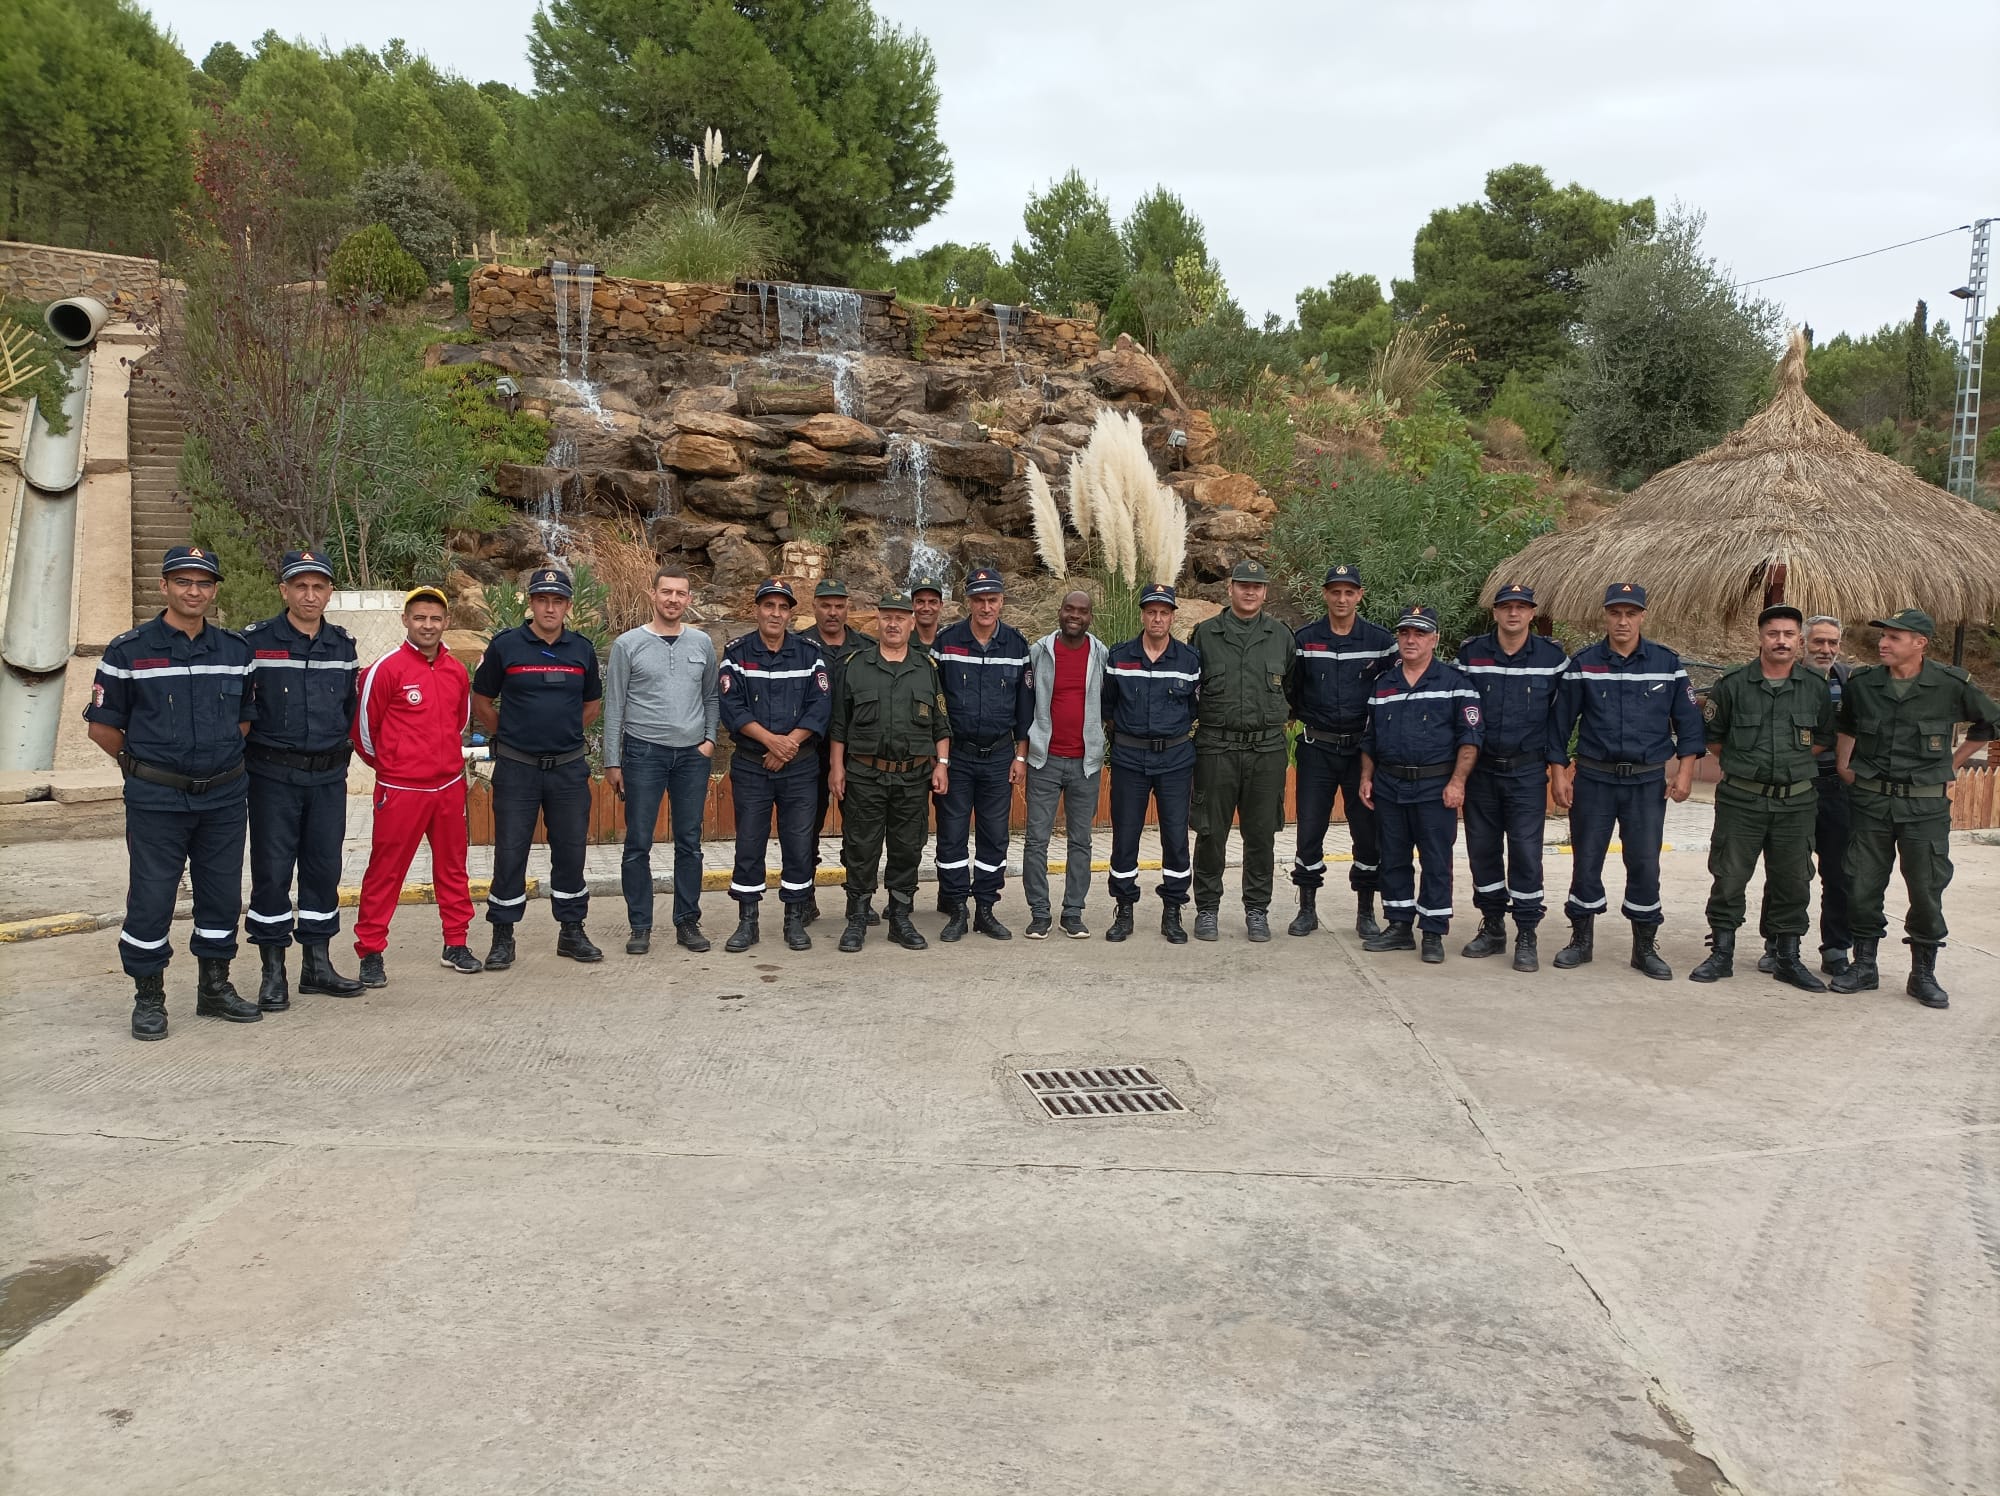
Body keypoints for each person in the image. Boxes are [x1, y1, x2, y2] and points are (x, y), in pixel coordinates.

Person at [85, 546, 261, 1040]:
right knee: (152, 896)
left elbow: (244, 721)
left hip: (224, 798)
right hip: (156, 801)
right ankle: (149, 998)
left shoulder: (235, 651)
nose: (194, 591)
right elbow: (103, 728)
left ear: (214, 590)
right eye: (183, 581)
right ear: (164, 587)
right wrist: (146, 768)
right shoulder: (128, 651)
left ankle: (214, 988)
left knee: (222, 896)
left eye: (204, 583)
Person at [1831, 608, 2000, 1008]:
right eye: (1883, 636)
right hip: (1871, 801)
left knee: (1926, 888)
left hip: (1924, 807)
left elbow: (1989, 723)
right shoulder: (1864, 683)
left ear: (1919, 644)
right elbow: (1848, 725)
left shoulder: (1949, 684)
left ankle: (1922, 972)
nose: (1883, 643)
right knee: (1861, 884)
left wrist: (1953, 764)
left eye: (1894, 637)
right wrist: (1843, 764)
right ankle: (1864, 965)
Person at [1550, 583, 1705, 980]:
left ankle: (1644, 947)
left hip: (1645, 783)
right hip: (1595, 780)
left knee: (1644, 863)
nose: (1622, 621)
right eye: (1615, 613)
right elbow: (1558, 725)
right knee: (1585, 860)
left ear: (1642, 616)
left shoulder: (1666, 663)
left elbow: (1689, 725)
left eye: (1630, 613)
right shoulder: (1584, 663)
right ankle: (1581, 940)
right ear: (1605, 615)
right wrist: (1558, 774)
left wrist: (1685, 773)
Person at [1687, 606, 1836, 991]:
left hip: (1796, 803)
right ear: (1760, 638)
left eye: (1789, 634)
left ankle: (1786, 955)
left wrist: (1788, 768)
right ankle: (1721, 953)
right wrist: (1749, 768)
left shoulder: (1814, 687)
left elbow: (1822, 740)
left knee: (1793, 880)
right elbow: (1715, 738)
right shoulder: (1733, 684)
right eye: (1773, 633)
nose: (1781, 640)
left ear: (1799, 640)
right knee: (1729, 875)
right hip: (1742, 801)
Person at [241, 549, 363, 1011]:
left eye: (318, 587)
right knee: (272, 873)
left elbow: (348, 712)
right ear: (284, 591)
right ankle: (274, 970)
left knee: (323, 868)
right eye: (300, 586)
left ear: (329, 592)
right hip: (273, 777)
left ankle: (317, 964)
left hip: (328, 778)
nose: (309, 595)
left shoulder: (343, 645)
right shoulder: (255, 643)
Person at [471, 568, 604, 968]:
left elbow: (592, 705)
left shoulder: (581, 649)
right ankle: (502, 936)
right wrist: (511, 736)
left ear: (567, 605)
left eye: (558, 600)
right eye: (542, 599)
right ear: (530, 603)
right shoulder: (505, 646)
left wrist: (562, 733)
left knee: (571, 852)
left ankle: (572, 932)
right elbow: (481, 701)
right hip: (518, 769)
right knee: (510, 853)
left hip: (567, 769)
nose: (550, 607)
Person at [350, 586, 478, 985]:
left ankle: (455, 942)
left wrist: (440, 764)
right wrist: (395, 767)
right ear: (405, 620)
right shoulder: (384, 670)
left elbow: (460, 722)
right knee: (385, 872)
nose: (428, 625)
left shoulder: (457, 670)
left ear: (446, 623)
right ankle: (371, 951)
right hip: (401, 790)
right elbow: (364, 734)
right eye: (420, 617)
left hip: (449, 788)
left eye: (435, 618)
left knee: (454, 869)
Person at [603, 563, 720, 956]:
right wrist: (612, 761)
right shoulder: (628, 644)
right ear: (653, 595)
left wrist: (709, 742)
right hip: (643, 753)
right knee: (638, 842)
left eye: (680, 593)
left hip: (691, 756)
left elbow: (711, 697)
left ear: (689, 599)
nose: (673, 599)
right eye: (666, 592)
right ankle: (640, 925)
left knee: (690, 842)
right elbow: (615, 705)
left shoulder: (701, 643)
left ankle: (687, 921)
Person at [1454, 582, 1569, 972]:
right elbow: (1461, 715)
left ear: (1533, 613)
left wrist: (1559, 771)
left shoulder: (1552, 658)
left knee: (1525, 854)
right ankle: (1492, 927)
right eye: (1507, 607)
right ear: (1496, 612)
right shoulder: (1471, 654)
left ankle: (1526, 934)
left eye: (1522, 607)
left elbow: (1561, 721)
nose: (1514, 613)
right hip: (1482, 773)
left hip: (1526, 773)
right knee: (1482, 852)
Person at [1358, 605, 1483, 963]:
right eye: (1405, 633)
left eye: (1420, 634)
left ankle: (1432, 931)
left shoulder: (1455, 684)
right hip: (1390, 786)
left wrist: (1457, 782)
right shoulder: (1384, 685)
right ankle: (1398, 926)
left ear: (1435, 639)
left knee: (1436, 860)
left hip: (1434, 787)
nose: (1411, 640)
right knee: (1393, 859)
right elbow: (1370, 738)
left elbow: (1470, 738)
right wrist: (1367, 777)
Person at [829, 590, 951, 952]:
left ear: (913, 623)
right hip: (865, 776)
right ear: (877, 621)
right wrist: (837, 768)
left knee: (907, 849)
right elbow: (839, 725)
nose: (893, 623)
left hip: (913, 777)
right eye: (887, 617)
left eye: (901, 617)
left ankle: (900, 918)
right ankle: (856, 920)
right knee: (860, 848)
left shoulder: (926, 669)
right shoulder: (856, 665)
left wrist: (941, 765)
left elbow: (941, 724)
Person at [718, 578, 831, 953]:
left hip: (800, 767)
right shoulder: (737, 653)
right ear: (757, 610)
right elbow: (731, 708)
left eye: (783, 608)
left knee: (799, 845)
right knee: (749, 843)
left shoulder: (809, 653)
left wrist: (789, 745)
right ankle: (747, 922)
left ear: (790, 613)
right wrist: (772, 742)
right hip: (753, 765)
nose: (776, 614)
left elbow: (820, 706)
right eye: (769, 606)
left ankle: (794, 920)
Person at [1286, 563, 1396, 939]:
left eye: (1350, 592)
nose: (1342, 598)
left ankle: (1366, 911)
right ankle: (1307, 909)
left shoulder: (1381, 642)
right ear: (1325, 594)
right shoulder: (1304, 639)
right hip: (1317, 748)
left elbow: (1393, 693)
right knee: (1310, 829)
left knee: (1367, 833)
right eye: (1336, 591)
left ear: (1360, 596)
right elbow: (1292, 691)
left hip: (1361, 752)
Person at [1189, 558, 1295, 942]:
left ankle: (1256, 909)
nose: (1250, 592)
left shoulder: (1281, 636)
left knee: (1261, 835)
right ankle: (1207, 909)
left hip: (1266, 751)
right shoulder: (1205, 634)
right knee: (1210, 834)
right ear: (1229, 589)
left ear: (1266, 592)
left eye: (1258, 586)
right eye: (1243, 585)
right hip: (1216, 747)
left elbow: (1292, 692)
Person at [932, 566, 1032, 941]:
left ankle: (985, 909)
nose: (986, 607)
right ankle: (957, 908)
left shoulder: (1017, 646)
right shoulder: (947, 643)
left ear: (1001, 602)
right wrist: (939, 760)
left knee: (994, 836)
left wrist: (1020, 756)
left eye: (992, 600)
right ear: (969, 602)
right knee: (952, 835)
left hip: (998, 757)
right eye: (979, 600)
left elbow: (1026, 708)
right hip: (957, 756)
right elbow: (936, 705)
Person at [1101, 583, 1199, 944]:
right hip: (1129, 759)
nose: (1157, 618)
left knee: (1175, 838)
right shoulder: (1120, 656)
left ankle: (1172, 912)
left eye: (1164, 612)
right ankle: (1124, 909)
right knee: (1125, 837)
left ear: (1173, 616)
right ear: (1143, 614)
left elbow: (1194, 709)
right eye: (1151, 611)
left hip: (1175, 760)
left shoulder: (1189, 661)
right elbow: (1108, 708)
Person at [1023, 589, 1108, 939]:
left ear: (1090, 617)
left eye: (1082, 611)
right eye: (1069, 609)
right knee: (1035, 841)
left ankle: (1072, 912)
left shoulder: (1101, 654)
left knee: (1081, 842)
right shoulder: (1039, 652)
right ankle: (1040, 913)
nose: (1075, 615)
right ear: (1059, 612)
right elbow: (1025, 702)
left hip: (1085, 764)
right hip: (1044, 759)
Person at [804, 579, 873, 926]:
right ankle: (804, 898)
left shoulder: (866, 647)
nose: (832, 613)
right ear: (813, 606)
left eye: (839, 606)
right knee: (805, 830)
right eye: (825, 605)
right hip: (807, 753)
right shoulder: (798, 644)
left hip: (856, 753)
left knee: (860, 831)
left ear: (848, 607)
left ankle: (858, 898)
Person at [1803, 616, 1854, 976]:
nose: (1826, 650)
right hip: (1797, 789)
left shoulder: (1852, 682)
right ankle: (1778, 943)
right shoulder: (1785, 678)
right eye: (1819, 642)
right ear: (1803, 642)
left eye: (1832, 643)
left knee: (1840, 874)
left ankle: (1836, 948)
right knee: (1788, 871)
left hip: (1838, 792)